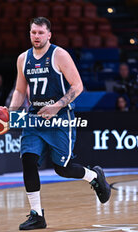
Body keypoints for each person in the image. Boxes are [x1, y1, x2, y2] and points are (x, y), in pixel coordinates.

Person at [8, 17, 111, 230]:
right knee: (28, 160)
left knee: (62, 169)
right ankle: (37, 215)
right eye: (33, 32)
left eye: (40, 33)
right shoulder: (22, 59)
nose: (36, 36)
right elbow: (19, 90)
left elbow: (78, 86)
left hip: (60, 118)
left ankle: (94, 176)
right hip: (34, 118)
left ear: (49, 35)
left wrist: (57, 105)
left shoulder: (59, 55)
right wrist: (10, 114)